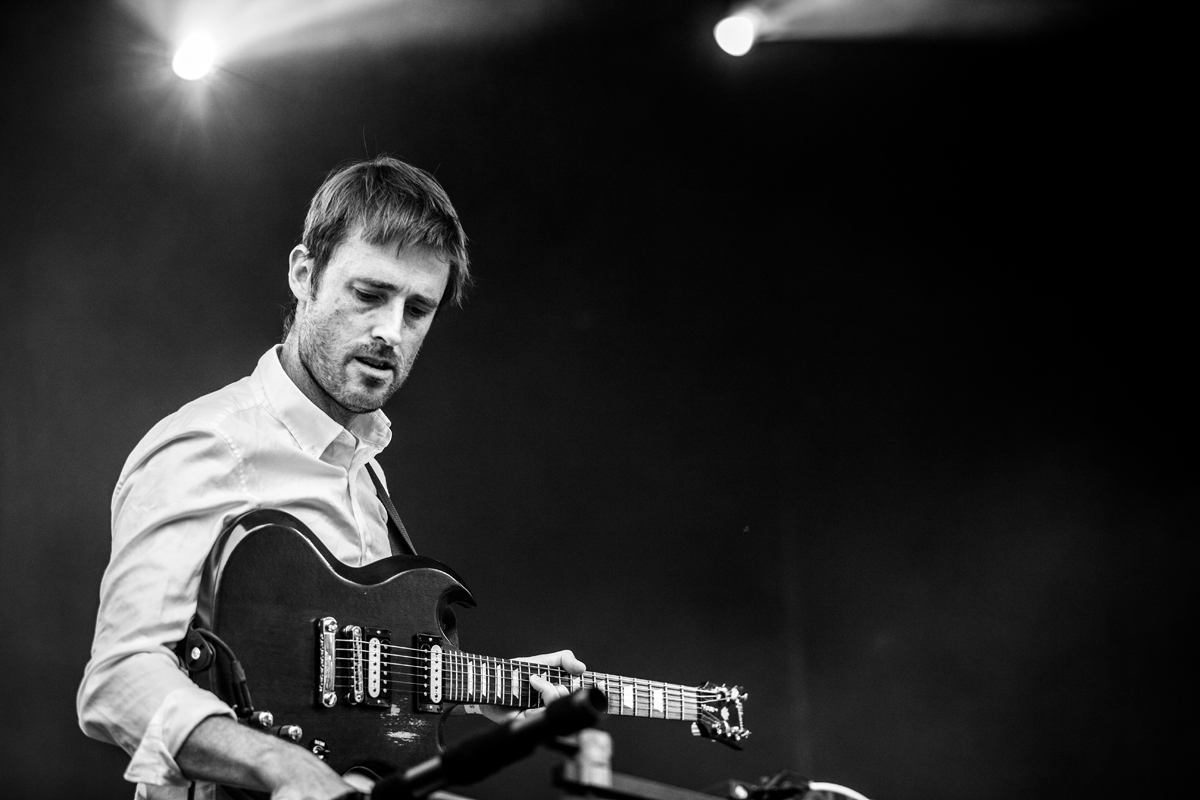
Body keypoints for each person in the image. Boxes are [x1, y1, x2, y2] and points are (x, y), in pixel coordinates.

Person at [77, 156, 584, 800]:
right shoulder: (206, 445)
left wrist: (487, 685)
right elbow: (119, 678)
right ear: (304, 274)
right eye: (369, 295)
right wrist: (285, 767)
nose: (390, 333)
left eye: (418, 309)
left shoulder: (366, 471)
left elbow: (345, 684)